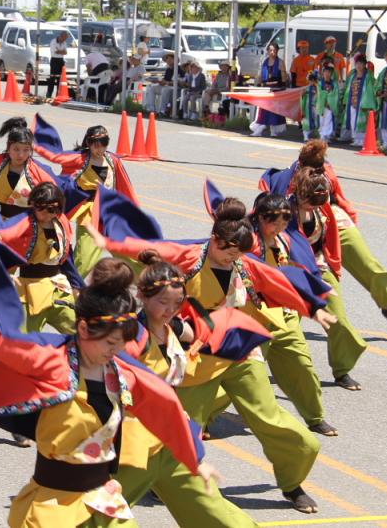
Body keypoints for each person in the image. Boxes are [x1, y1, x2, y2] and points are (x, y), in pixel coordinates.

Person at [86, 196, 332, 514]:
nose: (234, 259)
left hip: (238, 353)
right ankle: (149, 486)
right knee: (176, 427)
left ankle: (292, 482)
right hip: (196, 358)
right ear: (215, 240)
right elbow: (143, 249)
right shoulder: (190, 258)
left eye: (239, 254)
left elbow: (280, 282)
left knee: (275, 421)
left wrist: (313, 306)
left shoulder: (243, 265)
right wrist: (105, 240)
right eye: (229, 251)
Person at [0, 249, 209, 527]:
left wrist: (195, 458)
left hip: (104, 500)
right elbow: (3, 344)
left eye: (121, 343)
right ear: (84, 329)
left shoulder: (122, 371)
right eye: (109, 343)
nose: (117, 350)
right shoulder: (53, 362)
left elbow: (164, 407)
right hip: (54, 506)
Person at [114, 254, 259, 526]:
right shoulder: (132, 338)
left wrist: (239, 346)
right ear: (143, 298)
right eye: (163, 302)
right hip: (134, 446)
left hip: (170, 442)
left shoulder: (173, 329)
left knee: (216, 513)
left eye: (177, 302)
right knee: (100, 517)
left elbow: (207, 334)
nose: (170, 309)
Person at [259, 139, 387, 333]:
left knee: (368, 264)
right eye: (313, 170)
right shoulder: (286, 185)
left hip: (330, 220)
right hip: (297, 231)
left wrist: (348, 218)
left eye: (320, 170)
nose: (318, 174)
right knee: (302, 282)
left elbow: (339, 198)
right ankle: (290, 329)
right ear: (301, 167)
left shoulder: (326, 172)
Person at [248, 192, 337, 436]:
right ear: (259, 217)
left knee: (302, 367)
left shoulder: (285, 240)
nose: (278, 227)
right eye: (273, 221)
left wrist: (315, 291)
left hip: (284, 316)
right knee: (240, 374)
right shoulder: (248, 242)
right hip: (253, 318)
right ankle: (203, 417)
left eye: (284, 222)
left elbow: (297, 269)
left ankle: (315, 417)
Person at [290, 168, 367, 391]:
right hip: (288, 273)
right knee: (278, 331)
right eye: (310, 203)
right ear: (299, 193)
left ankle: (342, 370)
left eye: (319, 202)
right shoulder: (282, 211)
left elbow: (330, 239)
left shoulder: (323, 208)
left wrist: (332, 266)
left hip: (319, 268)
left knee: (338, 320)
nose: (314, 207)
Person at [32, 121, 138, 275]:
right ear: (88, 144)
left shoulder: (113, 161)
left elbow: (124, 186)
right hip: (90, 214)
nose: (100, 148)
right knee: (86, 258)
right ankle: (68, 289)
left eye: (104, 143)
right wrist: (33, 148)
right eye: (96, 144)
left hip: (110, 213)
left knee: (128, 253)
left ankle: (149, 285)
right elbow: (56, 157)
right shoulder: (80, 159)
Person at [0, 182, 84, 335]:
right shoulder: (24, 225)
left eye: (52, 209)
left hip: (58, 289)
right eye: (40, 208)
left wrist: (77, 285)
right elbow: (7, 240)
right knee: (20, 341)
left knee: (82, 334)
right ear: (32, 205)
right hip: (29, 292)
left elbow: (67, 258)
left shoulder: (61, 223)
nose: (46, 213)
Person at [339, 54, 378, 145]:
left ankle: (362, 140)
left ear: (365, 64)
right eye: (357, 63)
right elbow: (348, 89)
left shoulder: (368, 76)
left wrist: (367, 103)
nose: (359, 66)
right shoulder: (352, 75)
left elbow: (372, 89)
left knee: (362, 122)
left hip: (363, 103)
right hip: (352, 102)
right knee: (353, 121)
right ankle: (355, 138)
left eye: (361, 63)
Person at [250, 43, 288, 137]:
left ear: (277, 51)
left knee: (274, 111)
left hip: (276, 89)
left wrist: (282, 87)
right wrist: (258, 85)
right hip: (265, 89)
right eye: (270, 50)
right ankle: (260, 128)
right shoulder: (264, 61)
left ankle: (274, 131)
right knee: (263, 110)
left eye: (274, 50)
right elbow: (260, 75)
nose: (272, 52)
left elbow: (284, 78)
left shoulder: (280, 62)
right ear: (267, 51)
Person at [315, 62, 342, 142]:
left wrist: (330, 101)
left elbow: (335, 94)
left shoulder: (334, 84)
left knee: (329, 121)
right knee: (322, 121)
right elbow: (320, 94)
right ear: (323, 72)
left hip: (330, 106)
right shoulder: (320, 83)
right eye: (326, 71)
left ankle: (326, 136)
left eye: (329, 72)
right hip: (322, 106)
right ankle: (322, 136)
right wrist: (325, 100)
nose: (327, 74)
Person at [47, 31, 70, 99]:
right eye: (64, 38)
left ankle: (58, 94)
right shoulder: (53, 42)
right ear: (61, 36)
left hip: (61, 60)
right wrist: (61, 51)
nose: (65, 40)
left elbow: (65, 52)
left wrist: (60, 51)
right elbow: (55, 52)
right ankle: (49, 94)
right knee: (52, 78)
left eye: (66, 38)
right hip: (54, 60)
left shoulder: (64, 43)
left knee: (60, 79)